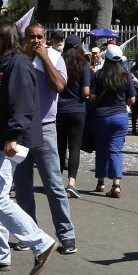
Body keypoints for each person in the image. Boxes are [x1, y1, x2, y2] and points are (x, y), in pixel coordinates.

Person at [0, 19, 56, 275]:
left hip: (8, 140)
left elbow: (23, 103)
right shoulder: (2, 65)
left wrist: (13, 135)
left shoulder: (17, 64)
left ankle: (40, 243)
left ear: (4, 39)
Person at [13, 22, 77, 255]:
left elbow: (60, 85)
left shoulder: (53, 57)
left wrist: (45, 59)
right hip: (20, 128)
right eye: (31, 37)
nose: (36, 41)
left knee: (53, 184)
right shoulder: (17, 58)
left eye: (40, 37)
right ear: (24, 39)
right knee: (22, 186)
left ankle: (67, 235)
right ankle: (30, 233)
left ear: (46, 39)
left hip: (45, 127)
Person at [89, 44, 136, 197]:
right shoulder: (126, 75)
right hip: (120, 116)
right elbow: (132, 99)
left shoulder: (98, 75)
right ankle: (116, 185)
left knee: (101, 149)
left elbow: (93, 96)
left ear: (107, 58)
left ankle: (101, 182)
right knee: (115, 150)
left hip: (101, 116)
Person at [56, 35, 91, 198]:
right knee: (75, 147)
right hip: (77, 109)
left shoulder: (59, 62)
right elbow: (85, 91)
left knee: (60, 147)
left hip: (60, 109)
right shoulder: (83, 64)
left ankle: (56, 181)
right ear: (79, 47)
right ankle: (71, 183)